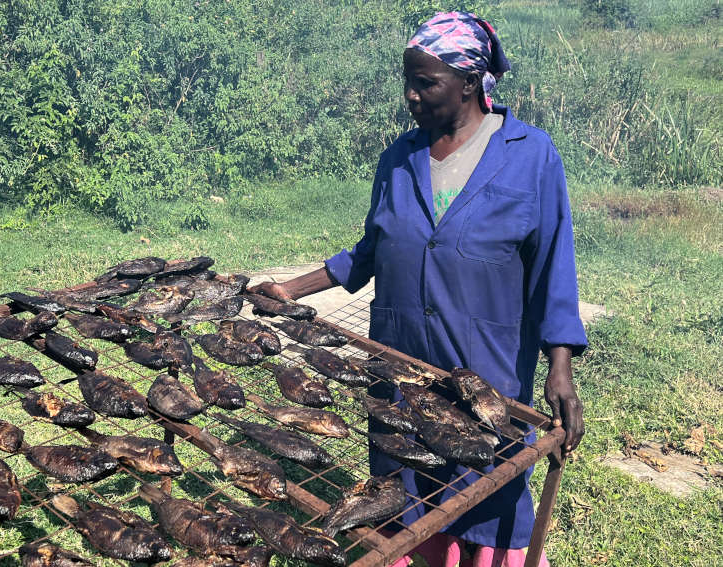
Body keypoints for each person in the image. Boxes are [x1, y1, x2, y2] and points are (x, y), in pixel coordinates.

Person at [249, 11, 586, 567]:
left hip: (486, 368)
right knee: (405, 488)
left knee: (483, 485)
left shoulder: (531, 155)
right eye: (407, 80)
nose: (410, 95)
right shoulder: (399, 157)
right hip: (398, 360)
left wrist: (561, 368)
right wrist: (292, 289)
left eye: (425, 82)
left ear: (471, 82)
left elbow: (554, 268)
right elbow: (371, 249)